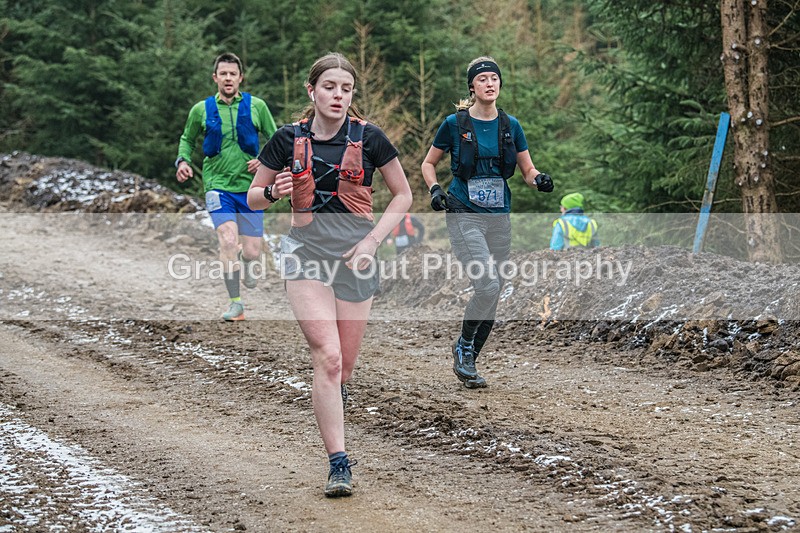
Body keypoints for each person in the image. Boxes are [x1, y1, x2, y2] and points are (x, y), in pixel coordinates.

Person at [247, 52, 412, 497]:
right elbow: (253, 196)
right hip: (305, 254)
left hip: (356, 257)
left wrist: (372, 241)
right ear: (312, 90)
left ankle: (335, 396)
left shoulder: (370, 138)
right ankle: (339, 462)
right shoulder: (287, 139)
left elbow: (403, 195)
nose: (338, 95)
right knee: (329, 357)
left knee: (345, 368)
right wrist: (273, 190)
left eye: (346, 89)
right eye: (330, 87)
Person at [421, 56, 554, 389]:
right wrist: (435, 189)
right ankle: (463, 346)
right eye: (482, 79)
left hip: (499, 217)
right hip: (464, 212)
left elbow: (527, 170)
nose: (489, 83)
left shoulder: (511, 125)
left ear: (500, 84)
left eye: (494, 78)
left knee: (494, 292)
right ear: (472, 86)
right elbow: (428, 163)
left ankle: (468, 359)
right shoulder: (454, 124)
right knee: (487, 284)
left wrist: (539, 179)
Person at [175, 52, 277, 321]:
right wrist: (182, 161)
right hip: (217, 186)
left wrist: (264, 160)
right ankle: (236, 304)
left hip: (252, 188)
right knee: (228, 240)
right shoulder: (202, 109)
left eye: (233, 74)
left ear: (240, 77)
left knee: (252, 251)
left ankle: (246, 261)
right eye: (223, 74)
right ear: (215, 78)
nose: (228, 78)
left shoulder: (257, 106)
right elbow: (187, 139)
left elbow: (277, 139)